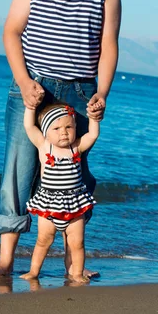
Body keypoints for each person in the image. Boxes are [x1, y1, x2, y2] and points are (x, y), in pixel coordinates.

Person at [0, 0, 121, 280]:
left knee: (75, 174)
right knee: (19, 170)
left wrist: (101, 93)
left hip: (79, 94)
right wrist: (24, 83)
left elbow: (109, 45)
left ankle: (76, 263)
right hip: (33, 88)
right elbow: (11, 30)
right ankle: (7, 260)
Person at [20, 102, 101, 283]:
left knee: (77, 244)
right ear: (46, 131)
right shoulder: (44, 146)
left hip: (74, 206)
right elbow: (29, 126)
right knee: (43, 241)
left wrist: (94, 118)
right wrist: (30, 107)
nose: (63, 132)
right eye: (56, 128)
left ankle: (77, 273)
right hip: (49, 205)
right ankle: (33, 272)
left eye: (68, 127)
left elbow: (93, 134)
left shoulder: (77, 147)